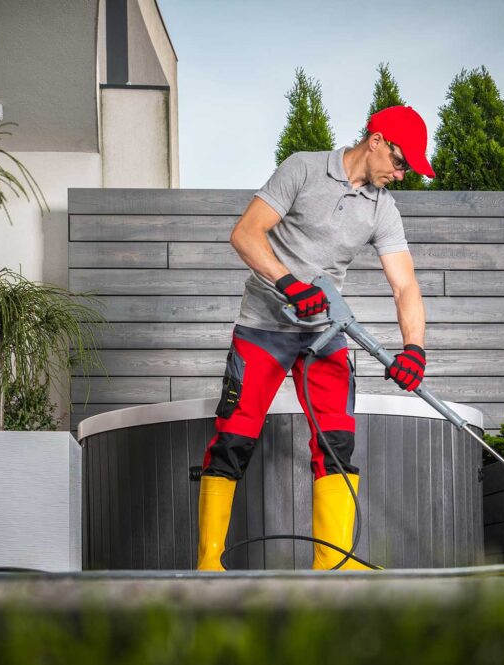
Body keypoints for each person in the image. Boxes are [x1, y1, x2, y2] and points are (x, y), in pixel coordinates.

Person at [196, 106, 434, 571]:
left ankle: (334, 565)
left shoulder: (382, 208)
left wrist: (414, 350)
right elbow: (245, 234)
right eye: (401, 163)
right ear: (378, 140)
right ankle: (207, 564)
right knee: (234, 437)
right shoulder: (304, 168)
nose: (401, 175)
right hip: (264, 327)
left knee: (338, 441)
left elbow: (405, 285)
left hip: (325, 334)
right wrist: (288, 284)